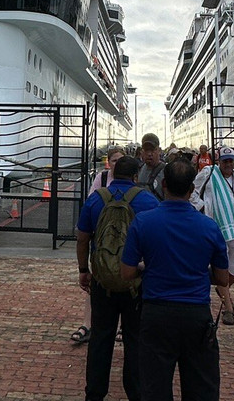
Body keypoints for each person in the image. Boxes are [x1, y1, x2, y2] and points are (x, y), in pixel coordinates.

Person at [121, 159, 229, 401]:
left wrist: (147, 269)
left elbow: (127, 272)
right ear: (192, 190)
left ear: (164, 185)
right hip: (196, 314)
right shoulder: (210, 227)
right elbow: (222, 278)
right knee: (201, 388)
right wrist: (196, 271)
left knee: (154, 388)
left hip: (156, 313)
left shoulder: (143, 222)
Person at [76, 155, 159, 401]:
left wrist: (84, 269)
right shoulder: (147, 201)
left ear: (112, 174)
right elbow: (155, 241)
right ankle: (135, 391)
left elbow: (82, 238)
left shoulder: (95, 199)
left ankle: (95, 393)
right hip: (136, 282)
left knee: (101, 338)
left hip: (103, 281)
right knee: (135, 340)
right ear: (136, 176)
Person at [191, 147, 234, 325]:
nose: (228, 164)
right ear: (218, 161)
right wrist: (203, 208)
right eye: (225, 161)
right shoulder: (208, 174)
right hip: (217, 230)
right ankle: (228, 307)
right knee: (221, 267)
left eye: (231, 160)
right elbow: (192, 194)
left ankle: (222, 289)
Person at [72, 145, 128, 345]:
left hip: (122, 238)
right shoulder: (101, 179)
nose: (117, 164)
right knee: (97, 280)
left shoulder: (130, 181)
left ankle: (121, 326)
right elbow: (91, 202)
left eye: (120, 160)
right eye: (114, 160)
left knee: (124, 280)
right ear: (108, 162)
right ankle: (87, 324)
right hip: (102, 238)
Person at [137, 133, 166, 200]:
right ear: (142, 151)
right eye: (146, 150)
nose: (149, 154)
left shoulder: (166, 171)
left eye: (152, 150)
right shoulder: (139, 169)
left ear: (159, 150)